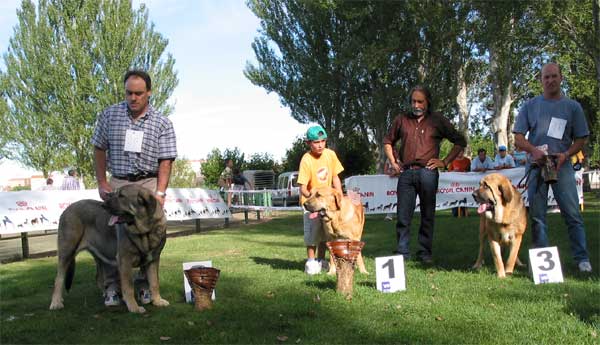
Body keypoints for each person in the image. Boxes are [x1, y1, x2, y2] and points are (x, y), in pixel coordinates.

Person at [91, 69, 178, 306]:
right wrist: (102, 181)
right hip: (118, 182)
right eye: (129, 93)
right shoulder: (109, 115)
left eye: (139, 93)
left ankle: (145, 288)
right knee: (113, 234)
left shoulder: (162, 123)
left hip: (148, 184)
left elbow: (166, 160)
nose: (133, 98)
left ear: (149, 93)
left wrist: (159, 192)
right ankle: (112, 288)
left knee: (151, 235)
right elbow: (99, 148)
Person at [513, 62, 592, 273]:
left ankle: (582, 258)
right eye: (546, 77)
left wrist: (566, 154)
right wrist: (534, 150)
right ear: (541, 80)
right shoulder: (529, 106)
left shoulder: (573, 107)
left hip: (562, 166)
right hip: (536, 167)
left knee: (572, 214)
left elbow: (581, 138)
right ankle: (541, 262)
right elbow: (518, 139)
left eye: (554, 76)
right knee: (538, 216)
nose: (550, 80)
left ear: (561, 78)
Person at [383, 85, 466, 263]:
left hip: (428, 173)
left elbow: (460, 141)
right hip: (406, 173)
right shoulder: (401, 119)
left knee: (427, 215)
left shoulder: (437, 120)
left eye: (420, 101)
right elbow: (388, 141)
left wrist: (444, 162)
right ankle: (402, 252)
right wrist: (393, 162)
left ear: (428, 102)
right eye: (413, 101)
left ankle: (424, 252)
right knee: (403, 215)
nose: (416, 105)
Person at [297, 125, 344, 274]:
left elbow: (336, 177)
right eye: (316, 142)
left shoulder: (330, 155)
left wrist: (339, 195)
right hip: (311, 203)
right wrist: (312, 197)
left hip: (326, 204)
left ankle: (322, 260)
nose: (320, 145)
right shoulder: (306, 159)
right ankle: (311, 263)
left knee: (326, 233)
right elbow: (302, 187)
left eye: (323, 141)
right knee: (312, 233)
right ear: (308, 143)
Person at [447, 149, 471, 217]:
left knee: (464, 197)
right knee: (455, 197)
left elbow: (470, 171)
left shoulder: (467, 160)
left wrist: (465, 172)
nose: (460, 153)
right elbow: (449, 172)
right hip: (455, 183)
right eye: (459, 152)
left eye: (461, 152)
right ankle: (455, 212)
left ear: (463, 152)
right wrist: (454, 171)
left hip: (464, 183)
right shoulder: (452, 160)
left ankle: (464, 212)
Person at [383, 148, 400, 221]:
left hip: (400, 182)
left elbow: (403, 169)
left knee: (400, 198)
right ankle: (389, 215)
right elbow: (385, 170)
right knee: (390, 197)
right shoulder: (388, 160)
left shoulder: (401, 159)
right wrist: (391, 173)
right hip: (390, 184)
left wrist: (396, 173)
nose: (393, 154)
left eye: (394, 152)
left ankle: (401, 215)